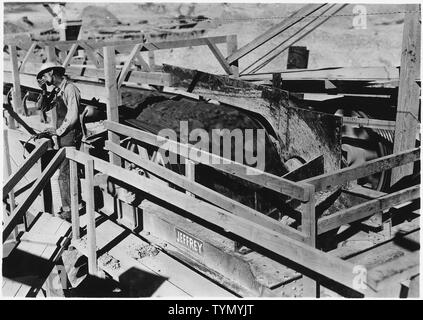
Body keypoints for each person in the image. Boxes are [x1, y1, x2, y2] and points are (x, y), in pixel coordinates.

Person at [36, 62, 84, 221]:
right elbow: (41, 108)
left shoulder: (70, 89)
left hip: (70, 135)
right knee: (66, 172)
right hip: (63, 136)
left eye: (44, 75)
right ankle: (75, 205)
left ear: (51, 72)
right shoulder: (57, 91)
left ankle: (70, 210)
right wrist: (43, 91)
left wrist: (58, 131)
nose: (43, 79)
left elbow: (73, 116)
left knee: (65, 174)